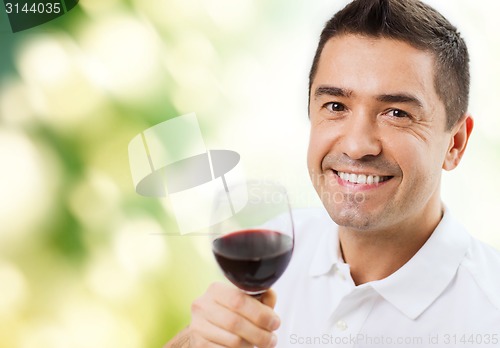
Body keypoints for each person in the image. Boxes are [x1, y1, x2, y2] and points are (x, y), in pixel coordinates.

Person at [165, 0, 500, 347]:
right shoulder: (277, 249)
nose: (357, 146)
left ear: (455, 143)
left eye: (397, 113)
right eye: (336, 106)